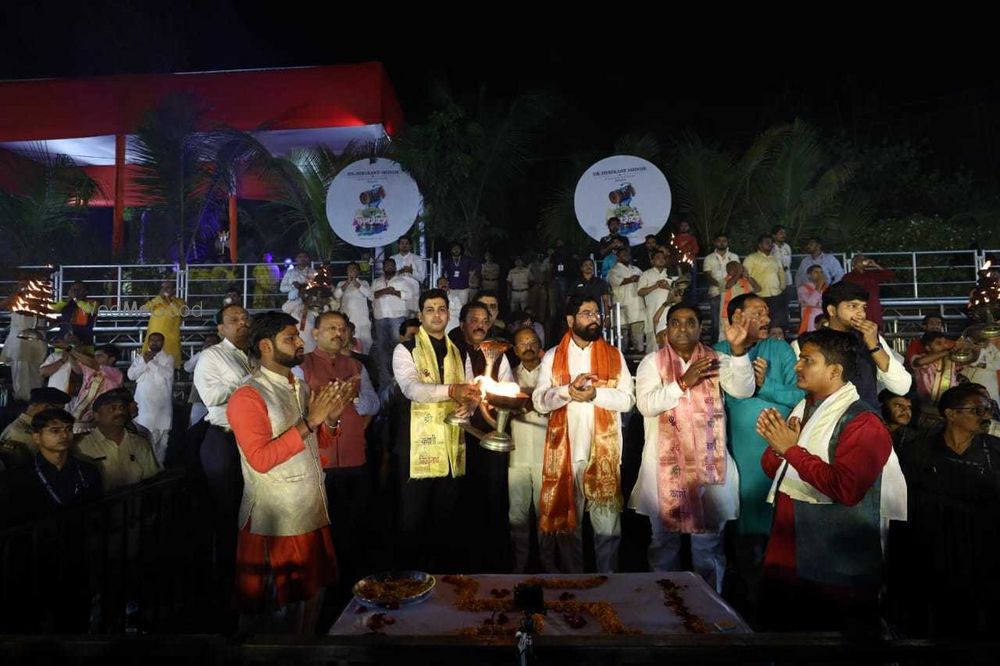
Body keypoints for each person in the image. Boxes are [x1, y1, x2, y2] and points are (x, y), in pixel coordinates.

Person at [756, 328, 905, 633]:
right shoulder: (806, 408)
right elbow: (775, 470)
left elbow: (847, 489)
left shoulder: (863, 422)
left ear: (835, 370)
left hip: (834, 561)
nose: (797, 366)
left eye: (807, 360)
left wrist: (792, 450)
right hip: (791, 546)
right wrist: (778, 448)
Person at [227, 312, 350, 633]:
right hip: (276, 518)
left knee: (312, 601)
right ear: (266, 346)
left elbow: (317, 441)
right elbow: (261, 459)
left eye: (298, 336)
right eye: (290, 338)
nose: (300, 343)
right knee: (271, 614)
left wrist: (331, 419)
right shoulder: (247, 395)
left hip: (309, 508)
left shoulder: (298, 386)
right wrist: (311, 421)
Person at [630, 303, 753, 592]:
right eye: (675, 322)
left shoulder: (716, 359)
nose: (682, 328)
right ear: (667, 328)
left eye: (690, 322)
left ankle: (711, 611)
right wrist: (683, 383)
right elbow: (646, 406)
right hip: (664, 470)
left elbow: (743, 390)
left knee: (708, 547)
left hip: (708, 467)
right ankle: (664, 607)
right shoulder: (652, 362)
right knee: (663, 545)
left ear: (700, 328)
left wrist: (738, 352)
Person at [532, 296, 635, 573]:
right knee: (569, 525)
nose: (594, 318)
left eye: (596, 313)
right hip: (566, 452)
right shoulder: (553, 356)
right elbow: (539, 401)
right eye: (586, 313)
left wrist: (595, 394)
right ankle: (573, 585)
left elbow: (627, 401)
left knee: (608, 526)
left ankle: (608, 582)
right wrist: (568, 391)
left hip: (603, 453)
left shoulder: (614, 355)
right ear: (570, 320)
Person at [713, 295, 804, 596]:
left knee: (781, 522)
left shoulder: (780, 349)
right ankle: (749, 595)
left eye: (767, 312)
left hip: (780, 453)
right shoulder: (717, 353)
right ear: (736, 316)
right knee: (745, 525)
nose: (767, 317)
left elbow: (801, 397)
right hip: (738, 454)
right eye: (757, 312)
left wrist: (766, 387)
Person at [899, 385, 1000, 637]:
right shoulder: (918, 451)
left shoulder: (995, 451)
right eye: (977, 410)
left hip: (986, 551)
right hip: (936, 550)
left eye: (988, 409)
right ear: (951, 414)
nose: (985, 415)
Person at [391, 289, 481, 571]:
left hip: (451, 445)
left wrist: (470, 406)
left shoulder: (460, 350)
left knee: (447, 518)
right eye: (430, 309)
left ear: (449, 314)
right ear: (420, 316)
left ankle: (444, 582)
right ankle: (411, 580)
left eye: (441, 309)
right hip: (416, 447)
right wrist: (453, 390)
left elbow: (471, 391)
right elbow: (411, 389)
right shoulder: (405, 349)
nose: (437, 314)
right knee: (413, 520)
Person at [294, 311, 379, 592]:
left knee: (356, 523)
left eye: (342, 328)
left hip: (355, 455)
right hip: (320, 458)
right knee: (325, 526)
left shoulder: (355, 365)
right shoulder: (301, 366)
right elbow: (298, 409)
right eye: (330, 327)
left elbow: (372, 401)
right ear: (315, 333)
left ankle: (354, 583)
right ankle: (325, 586)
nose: (338, 333)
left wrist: (347, 399)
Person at [193, 303, 252, 595]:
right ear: (221, 328)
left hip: (248, 440)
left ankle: (246, 572)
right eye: (234, 319)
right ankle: (225, 582)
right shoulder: (211, 355)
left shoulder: (250, 357)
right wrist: (247, 383)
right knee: (226, 510)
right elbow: (212, 396)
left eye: (245, 318)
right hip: (223, 438)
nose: (242, 323)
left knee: (247, 508)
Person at [820, 281, 912, 408]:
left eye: (863, 307)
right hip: (827, 422)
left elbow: (901, 387)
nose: (861, 314)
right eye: (853, 306)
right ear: (832, 310)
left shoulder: (871, 338)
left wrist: (874, 345)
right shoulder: (807, 343)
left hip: (867, 419)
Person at [508, 327, 553, 572]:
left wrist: (528, 398)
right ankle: (519, 565)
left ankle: (547, 562)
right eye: (522, 343)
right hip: (517, 455)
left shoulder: (551, 375)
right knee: (517, 515)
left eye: (532, 342)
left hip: (545, 453)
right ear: (515, 350)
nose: (528, 347)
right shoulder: (508, 376)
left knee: (544, 513)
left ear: (540, 345)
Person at [5, 408, 102, 517]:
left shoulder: (88, 470)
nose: (65, 435)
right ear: (37, 437)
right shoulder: (21, 477)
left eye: (69, 429)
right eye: (55, 430)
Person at [76, 391, 160, 492]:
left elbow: (152, 481)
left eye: (122, 408)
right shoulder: (81, 446)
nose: (119, 413)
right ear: (96, 415)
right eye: (112, 408)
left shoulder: (140, 443)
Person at [127, 331, 175, 465]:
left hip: (161, 409)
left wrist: (151, 362)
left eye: (158, 340)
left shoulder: (168, 358)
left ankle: (159, 474)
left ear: (163, 343)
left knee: (161, 445)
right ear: (148, 343)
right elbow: (131, 375)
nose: (154, 343)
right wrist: (144, 362)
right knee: (143, 442)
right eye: (152, 340)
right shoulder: (140, 358)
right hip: (143, 408)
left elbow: (167, 374)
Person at [0, 387, 72, 470]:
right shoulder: (21, 435)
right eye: (60, 410)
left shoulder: (25, 426)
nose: (60, 415)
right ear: (46, 408)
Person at [0, 283, 48, 402]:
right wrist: (17, 294)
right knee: (20, 375)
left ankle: (35, 401)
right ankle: (22, 401)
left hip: (35, 343)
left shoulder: (41, 302)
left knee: (36, 375)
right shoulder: (16, 301)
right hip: (18, 345)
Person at [371, 258, 413, 390]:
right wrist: (384, 291)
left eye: (391, 265)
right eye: (386, 265)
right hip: (380, 317)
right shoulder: (376, 281)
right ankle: (385, 380)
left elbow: (409, 295)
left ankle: (400, 378)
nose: (389, 267)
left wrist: (394, 292)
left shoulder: (402, 281)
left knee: (398, 346)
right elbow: (371, 296)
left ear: (395, 267)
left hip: (397, 317)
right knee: (382, 349)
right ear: (383, 267)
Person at [912, 332, 966, 428]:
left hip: (950, 409)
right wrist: (949, 351)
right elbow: (920, 362)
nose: (944, 346)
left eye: (944, 343)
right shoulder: (919, 358)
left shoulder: (951, 359)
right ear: (928, 348)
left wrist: (975, 347)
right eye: (939, 343)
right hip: (927, 409)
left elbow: (971, 360)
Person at [68, 344, 124, 434]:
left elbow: (93, 364)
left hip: (100, 420)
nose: (96, 358)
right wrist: (69, 353)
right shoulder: (90, 368)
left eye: (100, 355)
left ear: (112, 359)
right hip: (82, 419)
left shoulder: (115, 373)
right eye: (95, 355)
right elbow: (77, 368)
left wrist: (70, 349)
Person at [638, 249, 680, 352]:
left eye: (663, 258)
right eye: (658, 258)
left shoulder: (670, 274)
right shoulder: (646, 274)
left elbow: (677, 295)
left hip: (668, 311)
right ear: (652, 261)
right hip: (652, 312)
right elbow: (640, 292)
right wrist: (656, 286)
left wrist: (667, 287)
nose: (661, 260)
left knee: (669, 340)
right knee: (653, 343)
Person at [743, 234, 787, 330]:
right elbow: (745, 276)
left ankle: (775, 342)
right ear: (759, 245)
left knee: (776, 323)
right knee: (760, 323)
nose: (770, 244)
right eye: (767, 242)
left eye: (771, 243)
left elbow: (781, 275)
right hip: (759, 296)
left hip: (776, 295)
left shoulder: (776, 259)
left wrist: (782, 288)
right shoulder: (751, 258)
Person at [607, 247, 646, 353]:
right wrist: (632, 279)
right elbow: (617, 282)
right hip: (621, 307)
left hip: (637, 306)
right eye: (623, 254)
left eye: (628, 254)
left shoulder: (636, 269)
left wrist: (635, 279)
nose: (626, 256)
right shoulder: (613, 271)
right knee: (622, 339)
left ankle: (640, 356)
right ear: (618, 257)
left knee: (639, 339)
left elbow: (645, 281)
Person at [702, 234, 740, 343]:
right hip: (716, 294)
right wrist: (722, 285)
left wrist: (728, 286)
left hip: (732, 294)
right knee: (716, 324)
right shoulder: (709, 258)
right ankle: (716, 349)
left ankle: (733, 346)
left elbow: (738, 273)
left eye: (724, 240)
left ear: (728, 242)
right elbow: (707, 275)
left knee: (732, 321)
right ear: (715, 242)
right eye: (719, 241)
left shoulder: (734, 256)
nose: (722, 243)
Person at [141, 280, 186, 368]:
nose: (165, 290)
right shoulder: (156, 301)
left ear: (174, 290)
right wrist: (159, 299)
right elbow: (144, 310)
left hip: (170, 340)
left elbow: (179, 312)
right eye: (163, 288)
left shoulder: (180, 302)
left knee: (168, 366)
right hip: (153, 339)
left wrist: (169, 301)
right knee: (149, 364)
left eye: (168, 288)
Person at [842, 254, 894, 329]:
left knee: (875, 328)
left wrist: (875, 265)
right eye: (859, 260)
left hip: (873, 307)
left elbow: (889, 274)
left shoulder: (871, 274)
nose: (862, 262)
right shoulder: (848, 277)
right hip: (858, 307)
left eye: (863, 260)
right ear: (854, 264)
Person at [333, 262, 373, 353]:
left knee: (364, 346)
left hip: (362, 320)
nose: (352, 271)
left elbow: (368, 294)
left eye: (354, 269)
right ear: (346, 271)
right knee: (346, 344)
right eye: (349, 269)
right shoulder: (341, 283)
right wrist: (348, 282)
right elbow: (336, 295)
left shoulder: (364, 283)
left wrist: (355, 282)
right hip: (347, 320)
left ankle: (364, 365)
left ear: (358, 271)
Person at [184, 333, 220, 427]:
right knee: (195, 427)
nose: (210, 344)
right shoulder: (200, 355)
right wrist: (202, 353)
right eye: (208, 342)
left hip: (216, 400)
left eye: (213, 342)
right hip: (199, 399)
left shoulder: (223, 357)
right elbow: (187, 368)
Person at [719, 261, 759, 341]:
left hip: (743, 315)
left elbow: (757, 289)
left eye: (738, 268)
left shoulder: (745, 281)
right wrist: (738, 273)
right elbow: (728, 285)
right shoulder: (723, 281)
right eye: (735, 268)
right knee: (725, 339)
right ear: (728, 270)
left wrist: (748, 277)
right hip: (727, 317)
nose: (738, 270)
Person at [51, 280, 99, 345]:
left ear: (85, 292)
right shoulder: (65, 303)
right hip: (63, 340)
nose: (74, 291)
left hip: (84, 342)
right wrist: (67, 300)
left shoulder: (93, 302)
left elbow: (89, 310)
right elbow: (52, 309)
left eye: (78, 289)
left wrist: (76, 300)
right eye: (72, 289)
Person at [390, 236, 426, 316]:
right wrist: (400, 272)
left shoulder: (418, 259)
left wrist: (411, 271)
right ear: (398, 245)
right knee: (397, 316)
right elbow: (388, 276)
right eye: (402, 243)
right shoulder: (392, 258)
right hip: (396, 292)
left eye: (406, 243)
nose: (404, 245)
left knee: (412, 319)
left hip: (413, 293)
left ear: (410, 246)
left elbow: (422, 278)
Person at [959, 335, 1000, 404]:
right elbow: (962, 361)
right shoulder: (967, 344)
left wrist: (984, 365)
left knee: (990, 402)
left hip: (988, 381)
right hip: (968, 378)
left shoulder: (992, 347)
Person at [443, 243, 480, 307]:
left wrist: (473, 274)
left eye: (458, 249)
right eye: (454, 249)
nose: (456, 250)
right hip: (451, 288)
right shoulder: (448, 261)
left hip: (464, 288)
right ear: (451, 250)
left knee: (463, 306)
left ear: (461, 250)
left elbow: (478, 266)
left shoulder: (467, 260)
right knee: (451, 307)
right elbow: (442, 271)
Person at [771, 225, 794, 321]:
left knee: (785, 304)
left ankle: (784, 326)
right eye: (780, 233)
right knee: (775, 304)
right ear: (774, 235)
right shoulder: (771, 247)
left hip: (787, 280)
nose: (783, 235)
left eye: (784, 233)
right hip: (775, 281)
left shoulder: (787, 247)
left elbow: (790, 262)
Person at [797, 264, 828, 334]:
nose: (820, 275)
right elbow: (812, 302)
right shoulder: (802, 288)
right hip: (811, 322)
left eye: (821, 272)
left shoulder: (827, 288)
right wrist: (819, 285)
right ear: (809, 275)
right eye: (816, 272)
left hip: (825, 320)